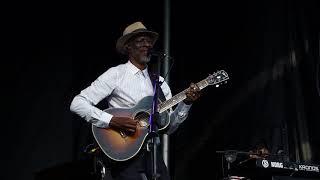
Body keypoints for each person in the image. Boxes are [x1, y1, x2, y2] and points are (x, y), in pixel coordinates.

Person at [70, 21, 201, 180]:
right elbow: (77, 103)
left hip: (153, 154)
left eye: (149, 41)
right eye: (141, 41)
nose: (147, 45)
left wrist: (186, 103)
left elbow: (169, 127)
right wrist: (112, 121)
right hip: (125, 152)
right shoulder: (116, 74)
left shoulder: (159, 82)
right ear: (128, 47)